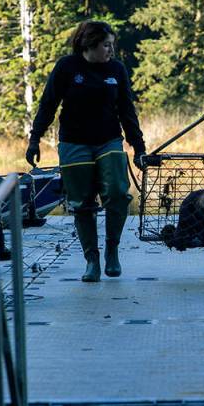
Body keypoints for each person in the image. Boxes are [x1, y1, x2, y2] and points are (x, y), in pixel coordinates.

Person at [25, 20, 146, 282]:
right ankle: (92, 259)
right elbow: (48, 105)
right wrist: (35, 139)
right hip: (74, 143)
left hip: (109, 140)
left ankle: (112, 250)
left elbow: (127, 110)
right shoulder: (67, 67)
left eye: (112, 45)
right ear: (89, 45)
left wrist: (139, 147)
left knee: (116, 192)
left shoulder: (117, 69)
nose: (111, 51)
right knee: (82, 204)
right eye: (106, 45)